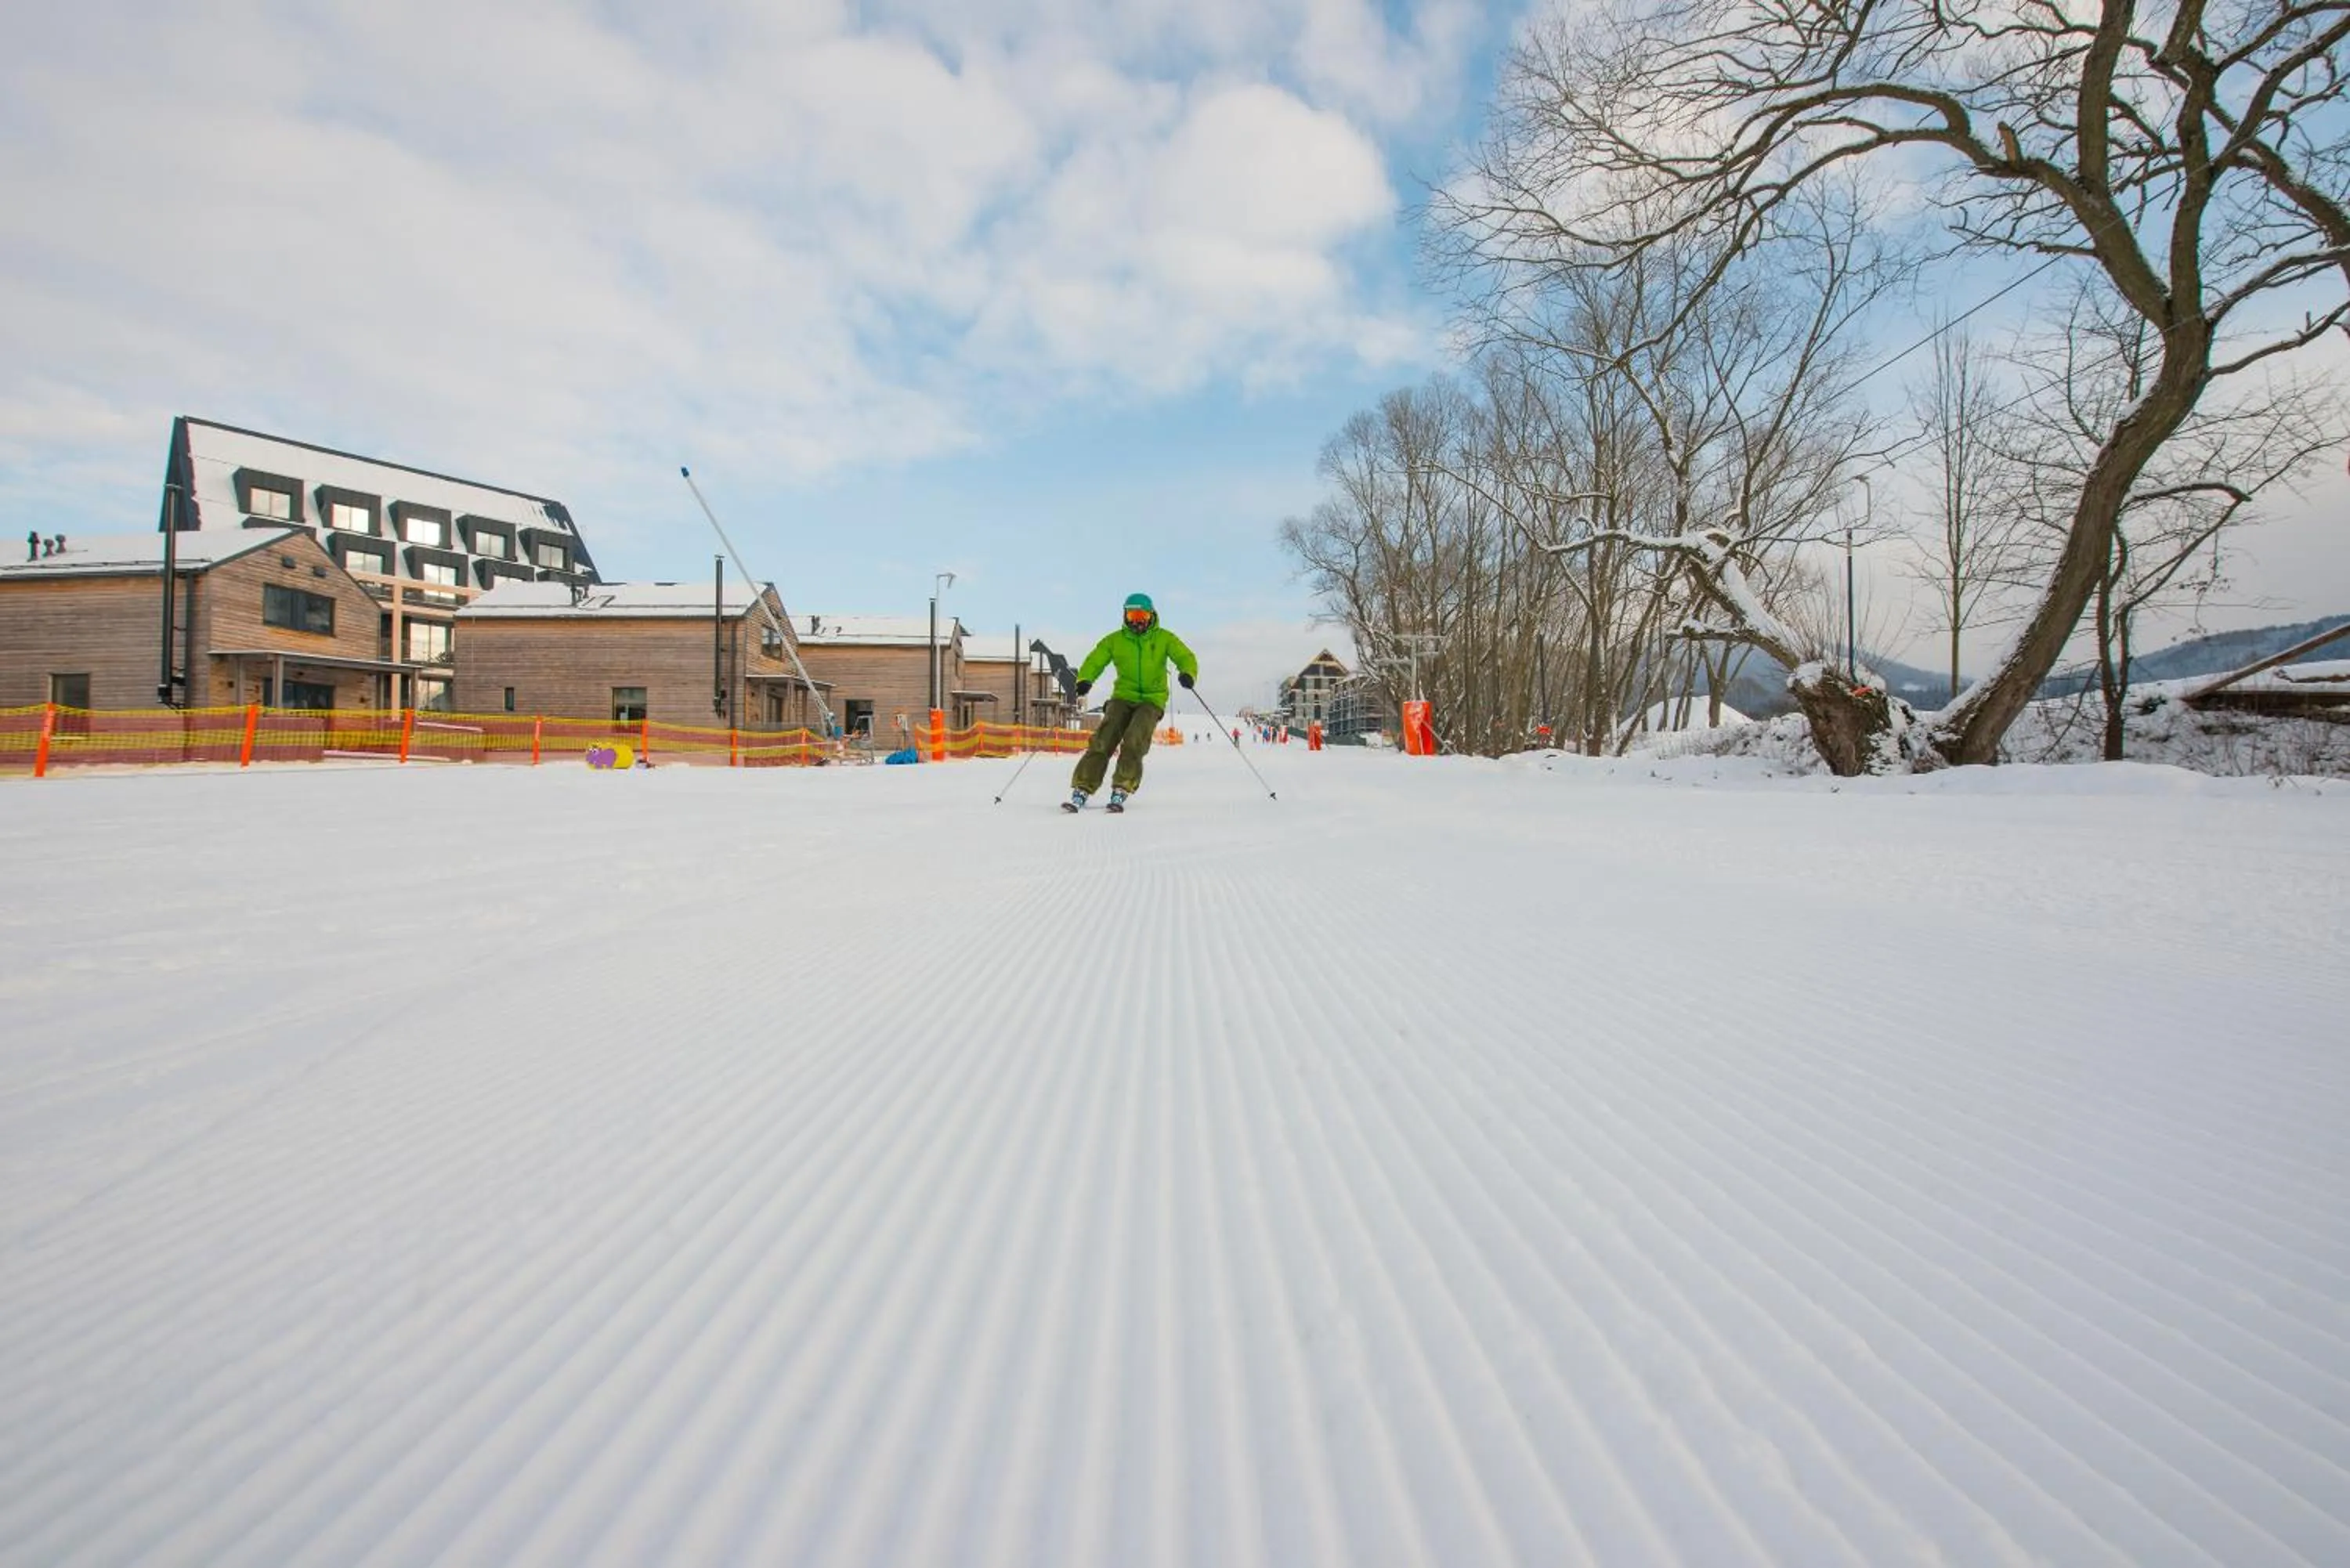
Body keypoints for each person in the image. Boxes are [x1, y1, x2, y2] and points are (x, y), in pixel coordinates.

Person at [1065, 592, 1198, 812]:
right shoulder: (1115, 640)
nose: (1137, 620)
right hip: (1123, 696)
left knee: (1135, 739)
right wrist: (1085, 679)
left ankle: (1122, 786)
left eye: (1142, 615)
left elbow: (1185, 656)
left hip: (1152, 699)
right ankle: (1083, 787)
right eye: (1132, 614)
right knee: (1104, 738)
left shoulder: (1164, 638)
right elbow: (1096, 659)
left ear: (1151, 615)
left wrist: (1188, 673)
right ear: (1125, 616)